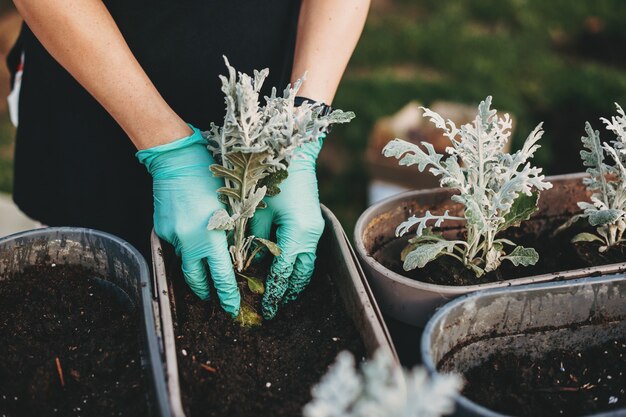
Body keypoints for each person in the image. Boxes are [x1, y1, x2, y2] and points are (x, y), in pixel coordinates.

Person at [8, 0, 370, 319]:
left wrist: (299, 125)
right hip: (93, 85)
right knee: (87, 299)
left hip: (261, 91)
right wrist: (167, 150)